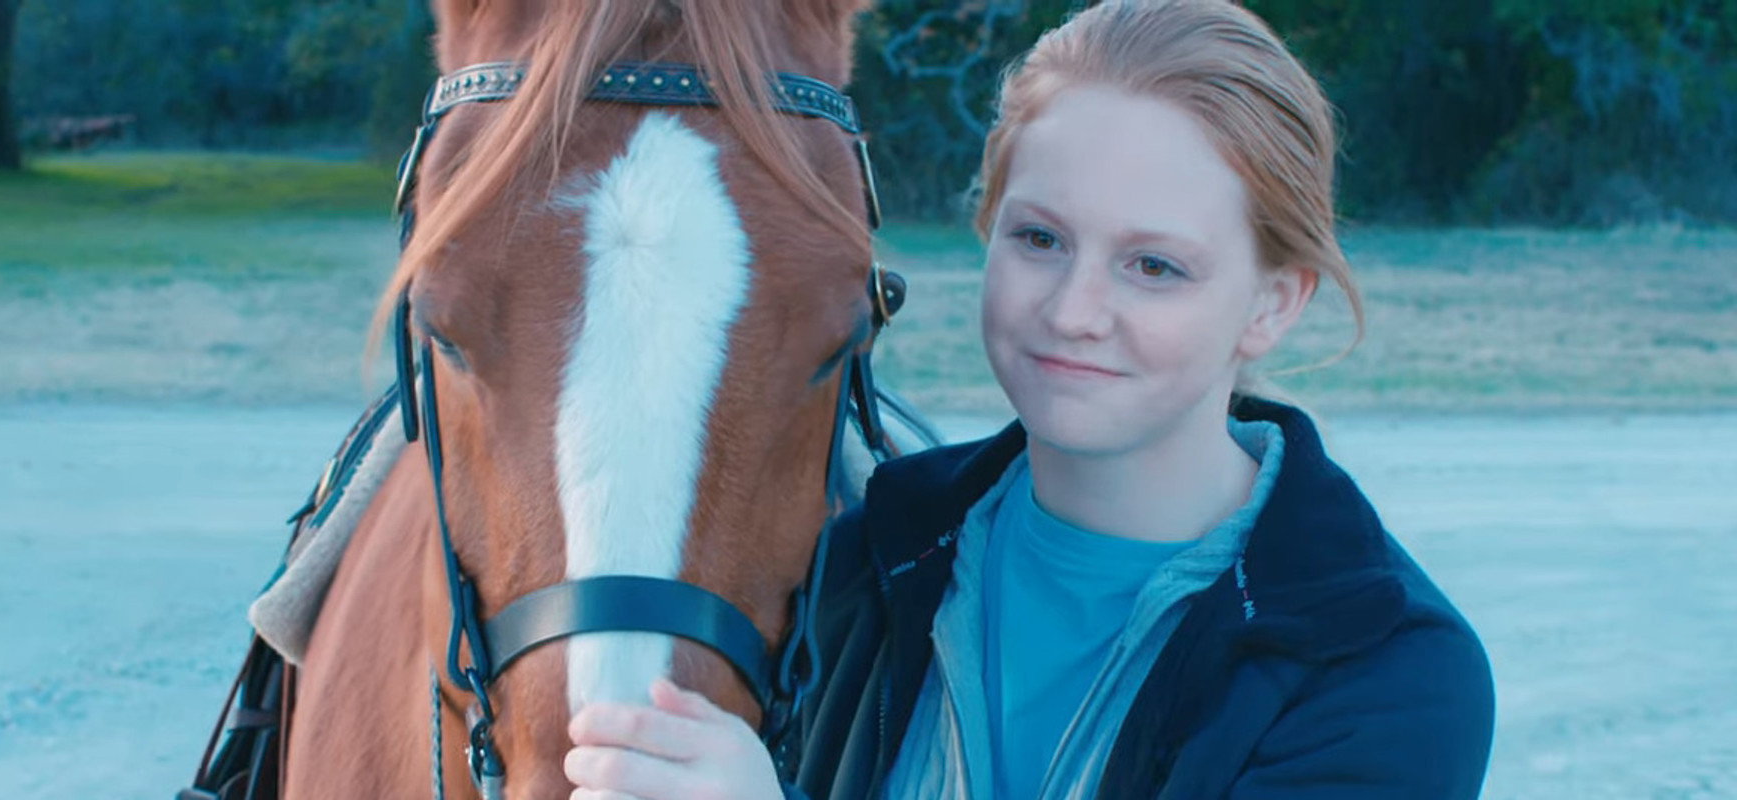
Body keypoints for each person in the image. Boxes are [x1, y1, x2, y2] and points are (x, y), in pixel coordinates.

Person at [562, 1, 1497, 797]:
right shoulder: (855, 562)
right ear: (986, 230)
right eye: (1041, 240)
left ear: (1271, 304)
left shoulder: (1388, 669)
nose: (1074, 310)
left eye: (1154, 265)